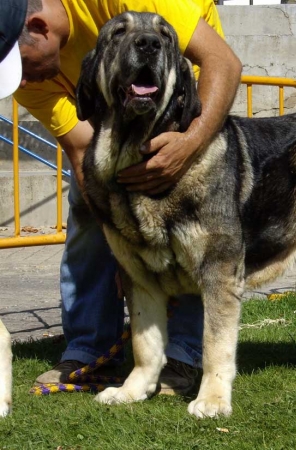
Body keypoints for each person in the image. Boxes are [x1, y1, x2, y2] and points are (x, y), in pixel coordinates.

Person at [0, 0, 242, 393]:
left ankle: (181, 355)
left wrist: (189, 144)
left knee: (191, 233)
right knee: (87, 209)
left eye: (20, 67)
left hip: (187, 105)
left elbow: (225, 63)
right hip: (115, 119)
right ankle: (90, 349)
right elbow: (82, 152)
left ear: (40, 27)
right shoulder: (32, 83)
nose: (21, 83)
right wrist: (122, 243)